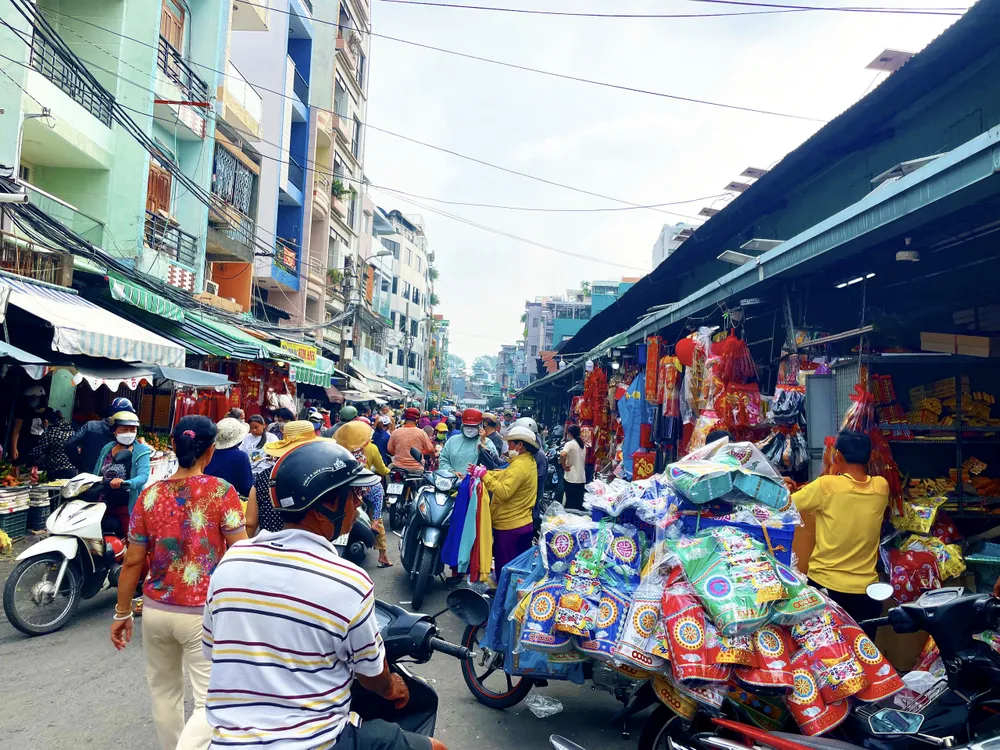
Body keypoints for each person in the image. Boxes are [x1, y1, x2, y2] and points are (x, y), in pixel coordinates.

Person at [202, 440, 442, 750]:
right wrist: (392, 687)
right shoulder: (348, 581)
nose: (358, 503)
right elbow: (371, 675)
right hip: (316, 742)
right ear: (325, 505)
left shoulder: (232, 561)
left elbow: (212, 647)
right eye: (353, 494)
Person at [110, 416, 247, 750]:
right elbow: (241, 553)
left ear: (173, 445)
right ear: (211, 451)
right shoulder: (221, 491)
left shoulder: (150, 495)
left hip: (156, 611)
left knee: (164, 693)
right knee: (209, 700)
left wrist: (122, 612)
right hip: (202, 614)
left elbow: (132, 561)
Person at [791, 430, 889, 637]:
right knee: (863, 650)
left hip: (825, 586)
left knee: (825, 649)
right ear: (870, 457)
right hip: (865, 591)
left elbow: (786, 504)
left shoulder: (826, 486)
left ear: (838, 456)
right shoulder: (881, 487)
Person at [245, 421, 324, 537]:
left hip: (271, 542)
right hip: (311, 542)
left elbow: (251, 523)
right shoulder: (320, 473)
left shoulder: (266, 476)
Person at [336, 420, 393, 567]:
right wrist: (388, 471)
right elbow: (381, 468)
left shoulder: (338, 449)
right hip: (361, 488)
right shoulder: (370, 448)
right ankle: (382, 554)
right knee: (378, 491)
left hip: (340, 487)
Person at [482, 426, 538, 575]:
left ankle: (503, 591)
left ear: (520, 445)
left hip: (510, 526)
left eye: (510, 443)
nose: (508, 447)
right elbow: (504, 474)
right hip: (522, 523)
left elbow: (504, 492)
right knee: (518, 571)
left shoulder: (519, 465)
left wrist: (484, 476)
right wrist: (486, 473)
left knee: (506, 571)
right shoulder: (527, 461)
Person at [95, 410, 152, 538]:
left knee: (133, 540)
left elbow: (143, 476)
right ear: (114, 431)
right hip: (103, 503)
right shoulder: (107, 448)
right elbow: (96, 471)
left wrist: (126, 483)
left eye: (132, 430)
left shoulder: (142, 450)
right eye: (124, 430)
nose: (128, 433)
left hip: (127, 505)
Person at [66, 397, 133, 473]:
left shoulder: (90, 426)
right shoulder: (125, 433)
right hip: (112, 476)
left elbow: (70, 444)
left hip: (87, 474)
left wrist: (79, 463)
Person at [438, 408, 498, 475]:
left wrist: (483, 442)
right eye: (467, 426)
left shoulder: (487, 442)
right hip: (452, 480)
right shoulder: (452, 441)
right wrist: (452, 472)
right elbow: (443, 460)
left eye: (473, 426)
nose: (470, 429)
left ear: (480, 425)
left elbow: (493, 464)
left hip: (477, 481)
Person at [205, 417, 254, 497]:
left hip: (205, 495)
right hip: (227, 499)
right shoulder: (240, 456)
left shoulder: (208, 451)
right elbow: (246, 489)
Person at [28, 409, 77, 480]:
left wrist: (30, 461)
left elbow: (37, 451)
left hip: (55, 470)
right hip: (72, 469)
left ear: (46, 421)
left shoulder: (50, 433)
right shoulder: (72, 432)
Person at [387, 407, 435, 472]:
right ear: (417, 420)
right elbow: (430, 450)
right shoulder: (422, 433)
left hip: (398, 468)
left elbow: (390, 450)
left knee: (388, 470)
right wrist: (433, 457)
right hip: (417, 469)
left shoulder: (395, 432)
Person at [11, 383, 47, 464]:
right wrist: (14, 448)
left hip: (37, 448)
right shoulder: (23, 412)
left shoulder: (46, 413)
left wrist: (45, 426)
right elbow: (16, 430)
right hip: (24, 445)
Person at [560, 424, 587, 511]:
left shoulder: (569, 444)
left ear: (570, 434)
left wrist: (564, 466)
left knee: (570, 505)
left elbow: (563, 454)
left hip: (571, 478)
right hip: (581, 478)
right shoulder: (582, 445)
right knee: (578, 505)